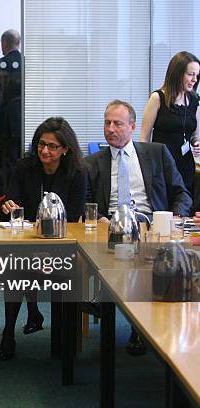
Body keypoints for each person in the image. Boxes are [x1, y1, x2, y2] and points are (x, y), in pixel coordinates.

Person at [86, 100, 192, 355]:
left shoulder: (156, 153)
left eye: (117, 123)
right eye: (107, 123)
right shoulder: (91, 162)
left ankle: (139, 328)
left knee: (149, 259)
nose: (110, 128)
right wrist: (99, 218)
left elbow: (182, 194)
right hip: (111, 227)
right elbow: (85, 203)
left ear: (132, 127)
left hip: (151, 224)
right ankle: (129, 320)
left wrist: (174, 217)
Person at [0, 117, 86, 360]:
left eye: (52, 146)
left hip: (61, 246)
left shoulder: (77, 173)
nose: (44, 151)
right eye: (40, 144)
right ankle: (8, 332)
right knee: (15, 268)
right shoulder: (24, 167)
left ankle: (47, 327)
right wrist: (9, 206)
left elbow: (75, 217)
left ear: (65, 149)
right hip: (26, 242)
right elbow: (12, 203)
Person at [139, 51, 200, 194]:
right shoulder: (158, 98)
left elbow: (195, 136)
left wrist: (196, 143)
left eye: (197, 75)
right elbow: (144, 139)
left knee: (184, 209)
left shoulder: (195, 101)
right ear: (178, 73)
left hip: (185, 166)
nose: (194, 80)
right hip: (161, 166)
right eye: (190, 74)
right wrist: (145, 168)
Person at [0, 29, 22, 196]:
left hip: (8, 122)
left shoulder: (0, 65)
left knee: (8, 164)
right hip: (26, 120)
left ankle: (9, 199)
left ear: (4, 44)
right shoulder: (28, 63)